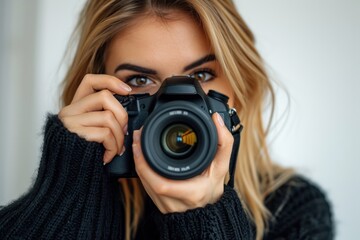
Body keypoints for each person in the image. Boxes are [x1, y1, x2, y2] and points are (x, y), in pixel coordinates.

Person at [0, 0, 334, 239]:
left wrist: (205, 223)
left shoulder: (294, 209)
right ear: (99, 95)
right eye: (139, 81)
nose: (175, 103)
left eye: (202, 74)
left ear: (241, 86)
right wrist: (66, 191)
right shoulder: (77, 191)